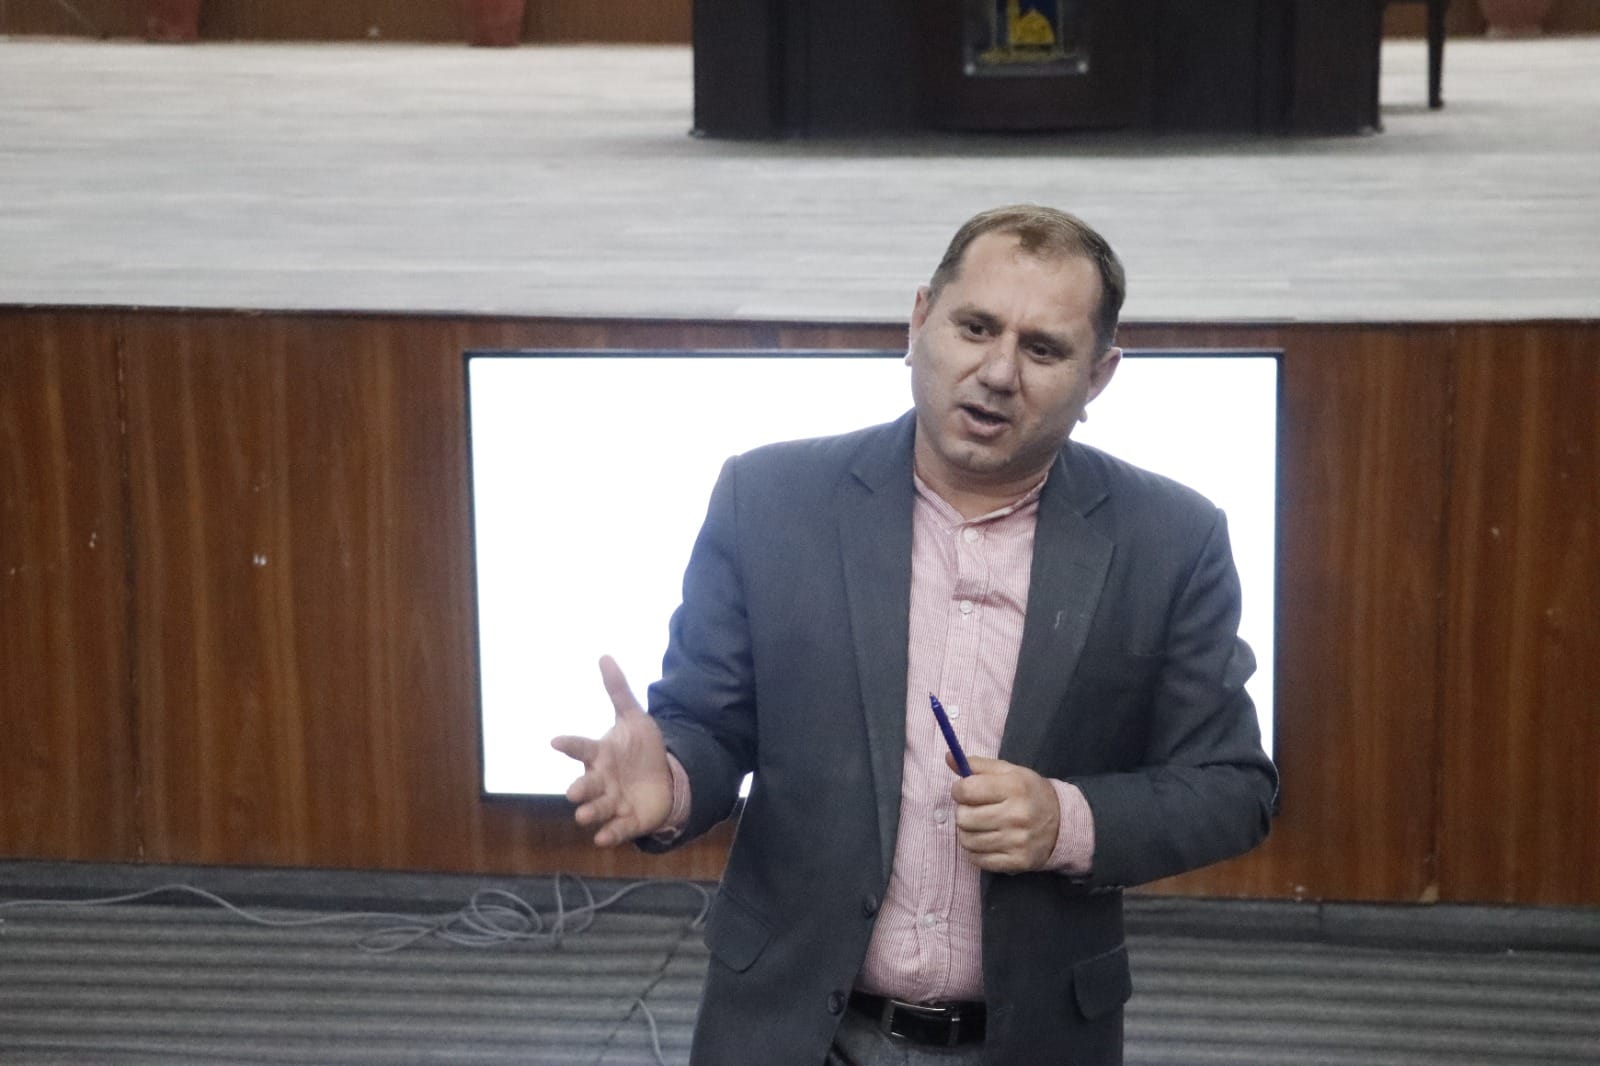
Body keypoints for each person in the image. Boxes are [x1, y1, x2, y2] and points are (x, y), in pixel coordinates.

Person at [552, 204, 1277, 1066]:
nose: (998, 373)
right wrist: (671, 782)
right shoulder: (771, 500)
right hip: (788, 1028)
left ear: (1099, 378)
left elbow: (1231, 789)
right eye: (976, 327)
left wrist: (1067, 821)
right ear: (919, 321)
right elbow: (710, 724)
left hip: (1031, 1039)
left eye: (1043, 350)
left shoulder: (1171, 539)